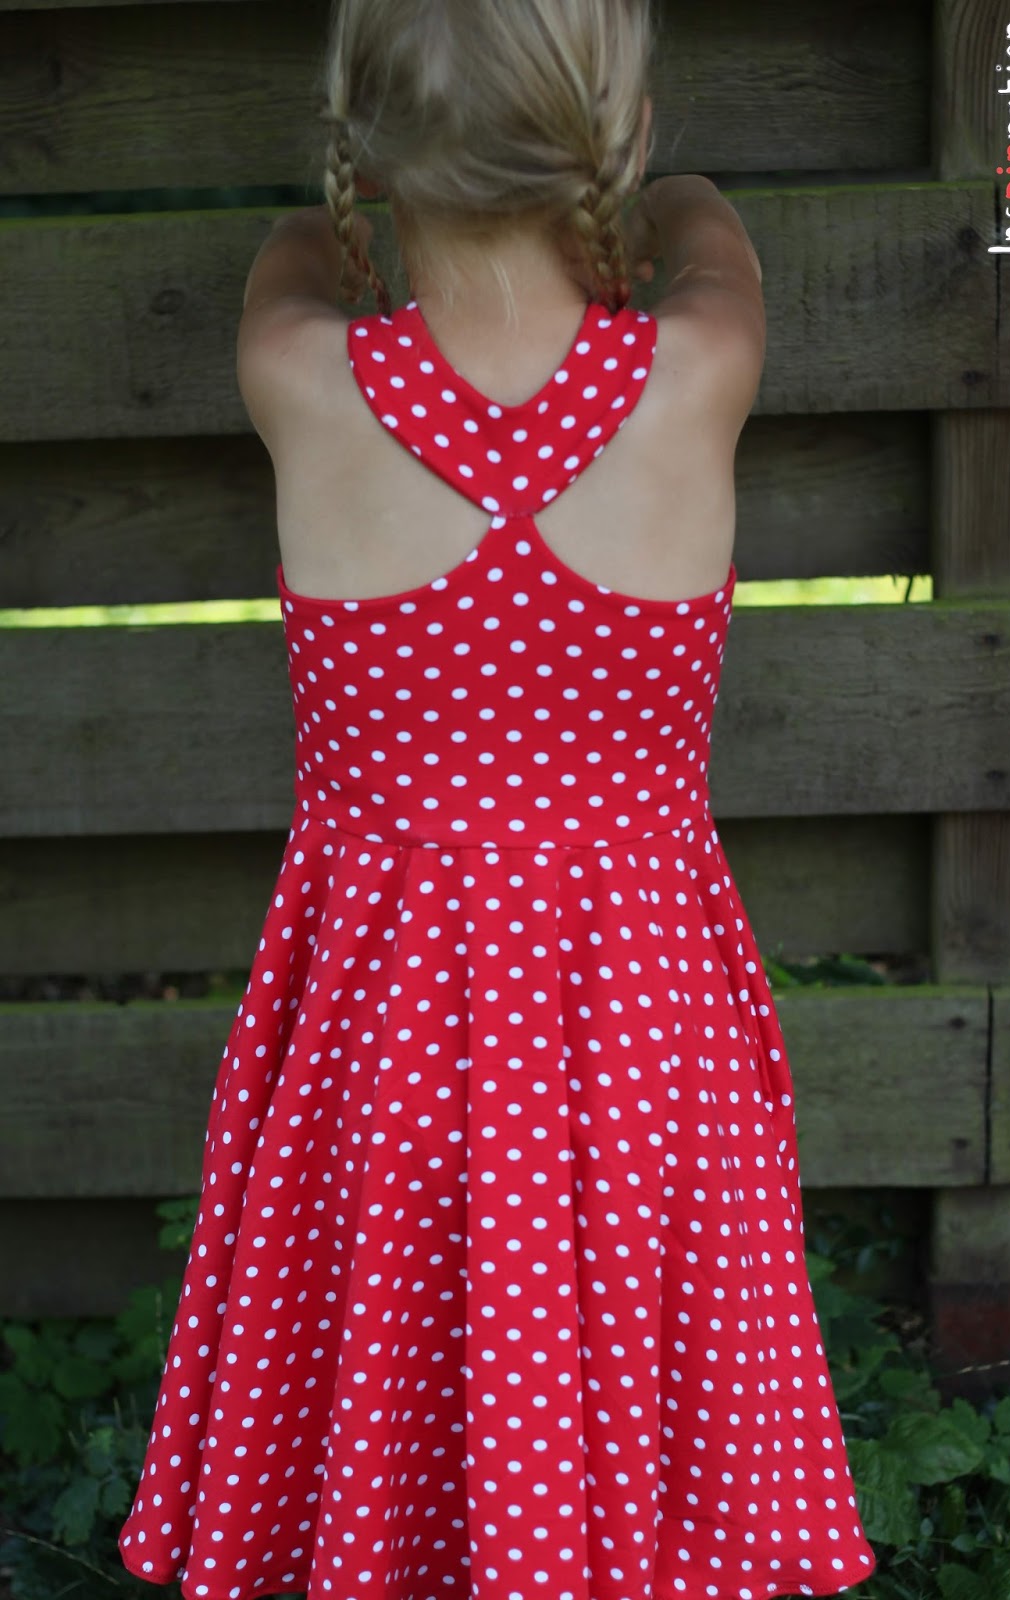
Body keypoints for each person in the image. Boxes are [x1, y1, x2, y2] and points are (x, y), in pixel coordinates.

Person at [118, 3, 878, 1597]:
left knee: (383, 1352)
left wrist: (355, 201)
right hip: (635, 1028)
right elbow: (706, 234)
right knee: (637, 1353)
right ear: (622, 134)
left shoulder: (297, 373)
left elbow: (292, 256)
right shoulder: (700, 366)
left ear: (362, 144)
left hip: (385, 1027)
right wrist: (648, 187)